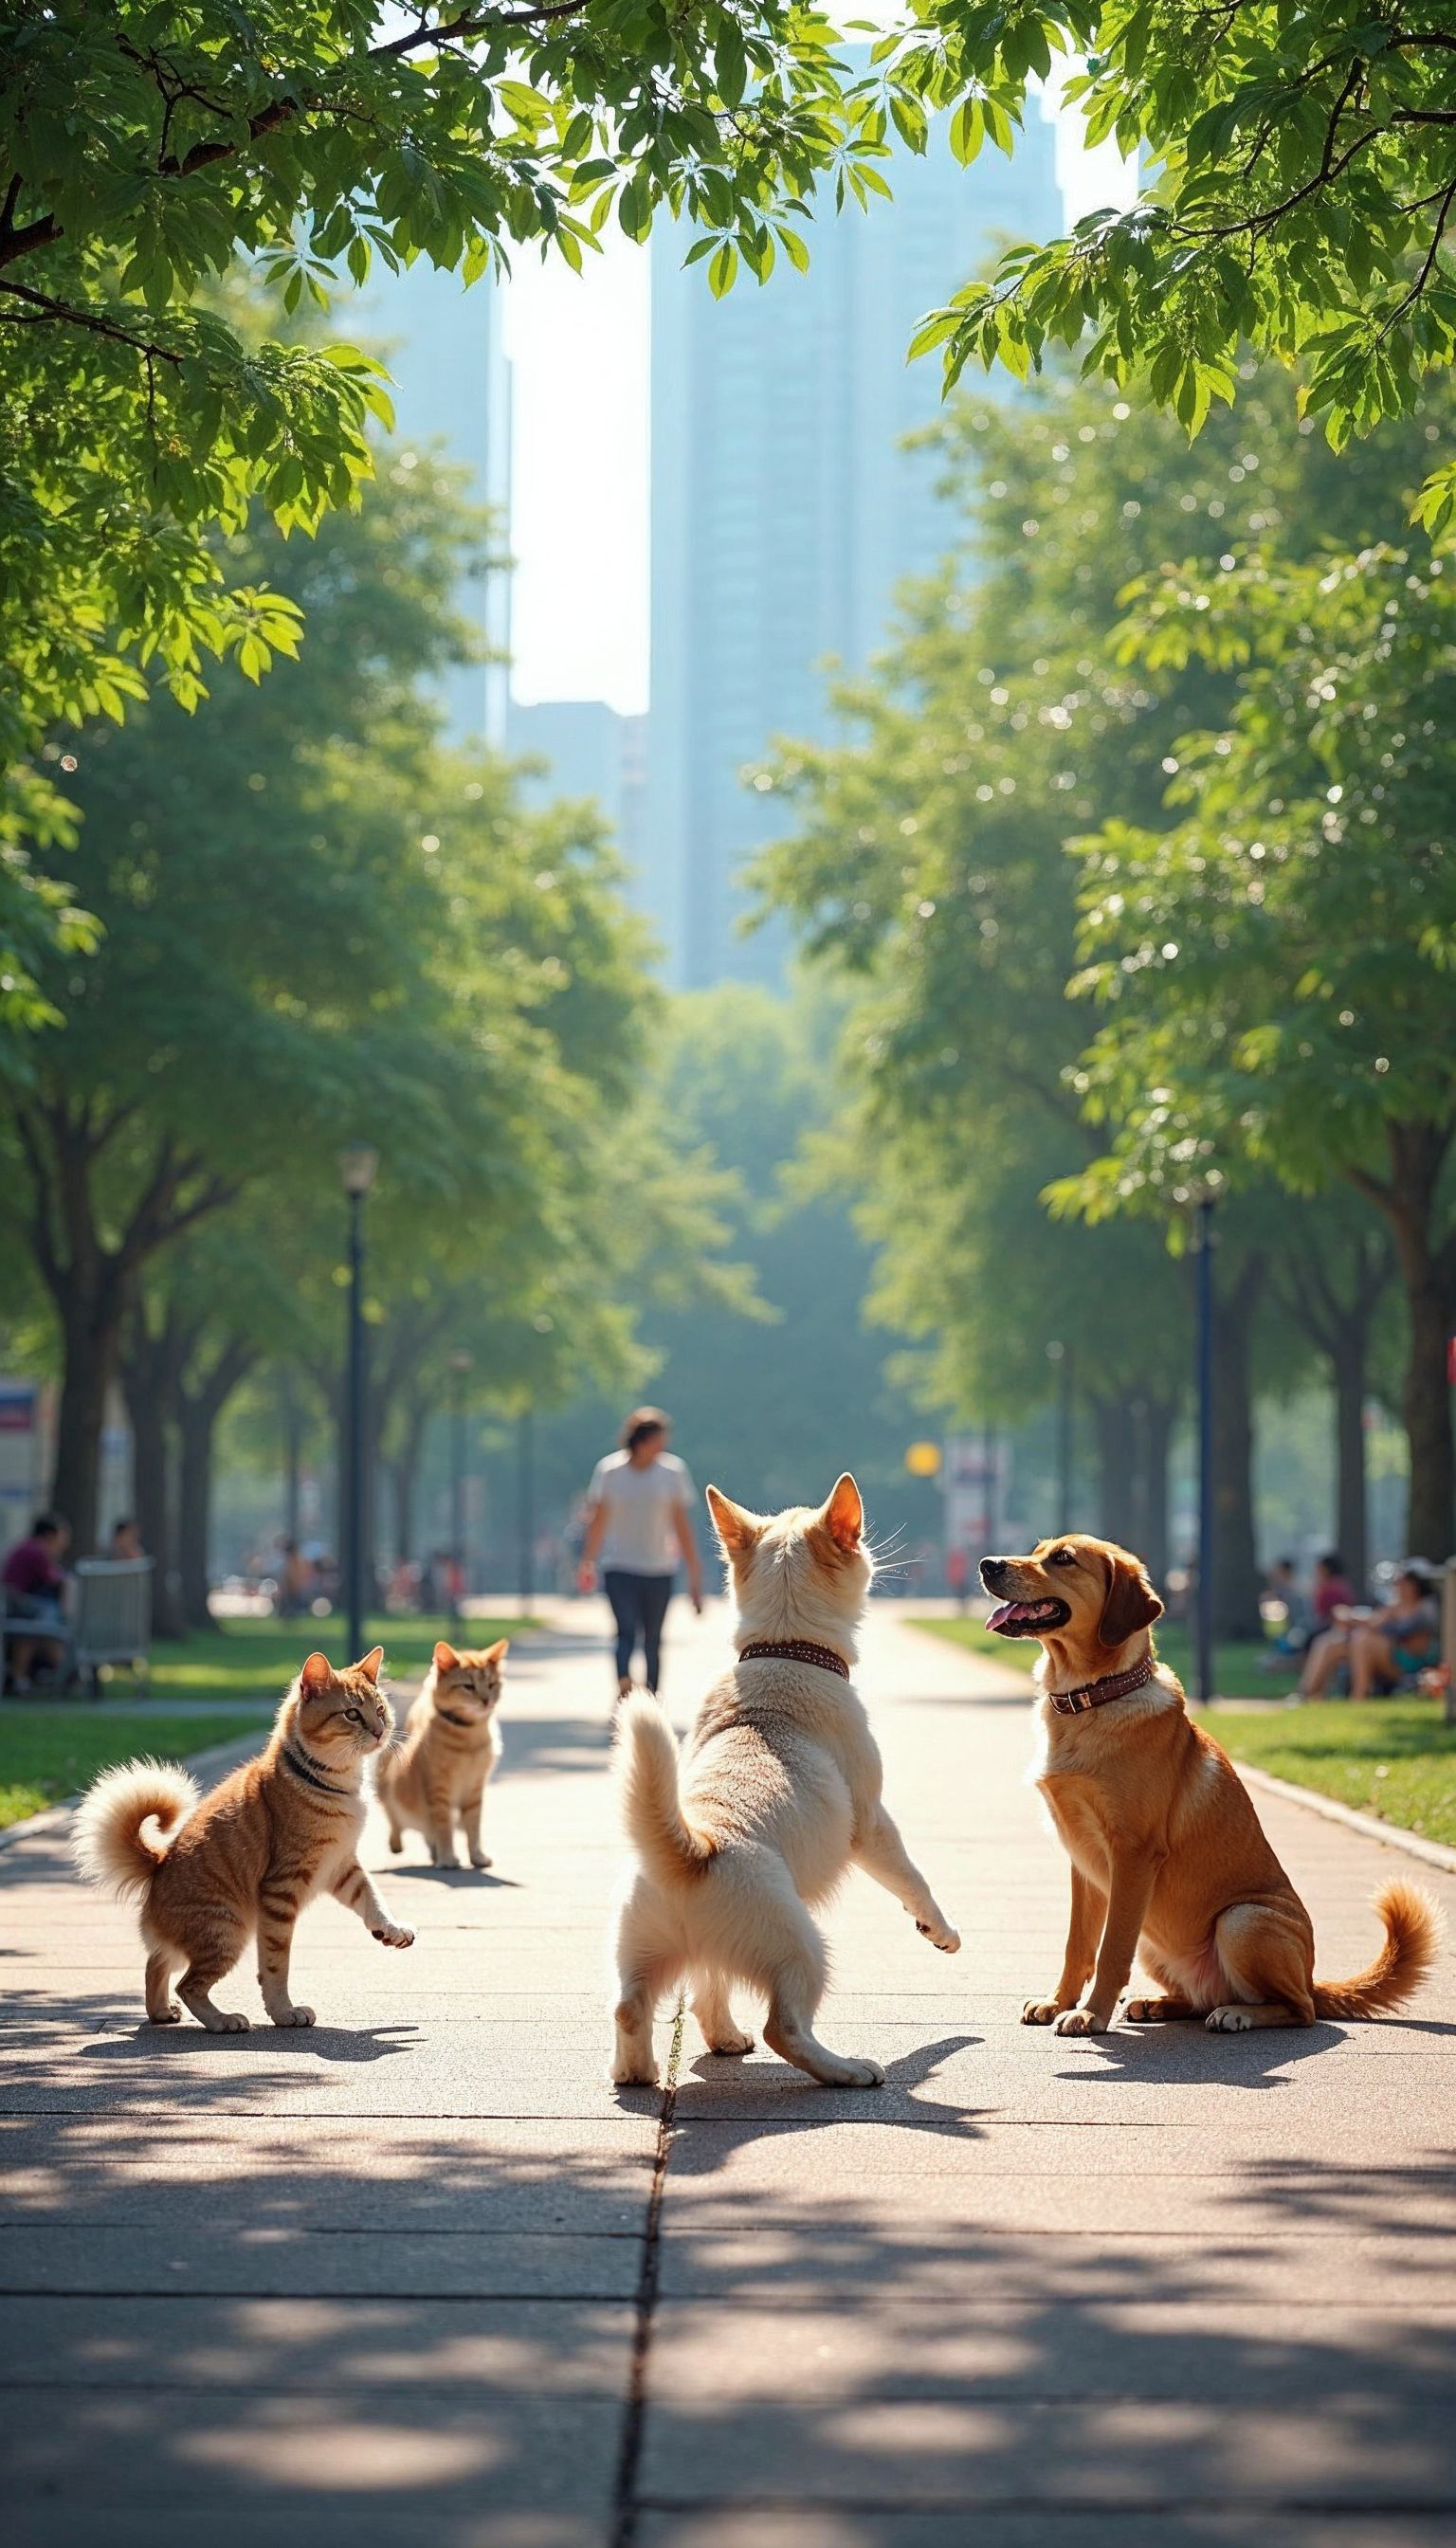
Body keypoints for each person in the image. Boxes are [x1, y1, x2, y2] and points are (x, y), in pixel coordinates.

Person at [578, 1407, 703, 1702]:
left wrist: (693, 1569)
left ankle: (651, 1693)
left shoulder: (672, 1472)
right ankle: (624, 1682)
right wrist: (588, 1561)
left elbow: (681, 1525)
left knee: (653, 1637)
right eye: (659, 1439)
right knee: (625, 1630)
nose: (663, 1445)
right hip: (619, 1565)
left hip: (659, 1567)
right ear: (642, 1440)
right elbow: (598, 1520)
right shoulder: (610, 1471)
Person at [1299, 1565, 1441, 1701]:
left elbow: (1403, 1632)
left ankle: (1360, 1692)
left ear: (1414, 1584)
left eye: (1402, 1582)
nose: (1397, 1586)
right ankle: (1308, 1693)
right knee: (1328, 1643)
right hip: (1389, 1653)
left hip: (1410, 1661)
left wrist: (1359, 1621)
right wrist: (1350, 1617)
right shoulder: (1395, 1606)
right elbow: (1374, 1622)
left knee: (1362, 1639)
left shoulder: (1426, 1607)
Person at [3, 1511, 71, 1692]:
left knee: (41, 1619)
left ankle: (30, 1675)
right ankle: (64, 1670)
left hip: (17, 1606)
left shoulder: (27, 1547)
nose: (64, 1543)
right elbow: (55, 1579)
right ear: (49, 1535)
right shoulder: (35, 1551)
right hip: (17, 1607)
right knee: (43, 1622)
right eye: (61, 1536)